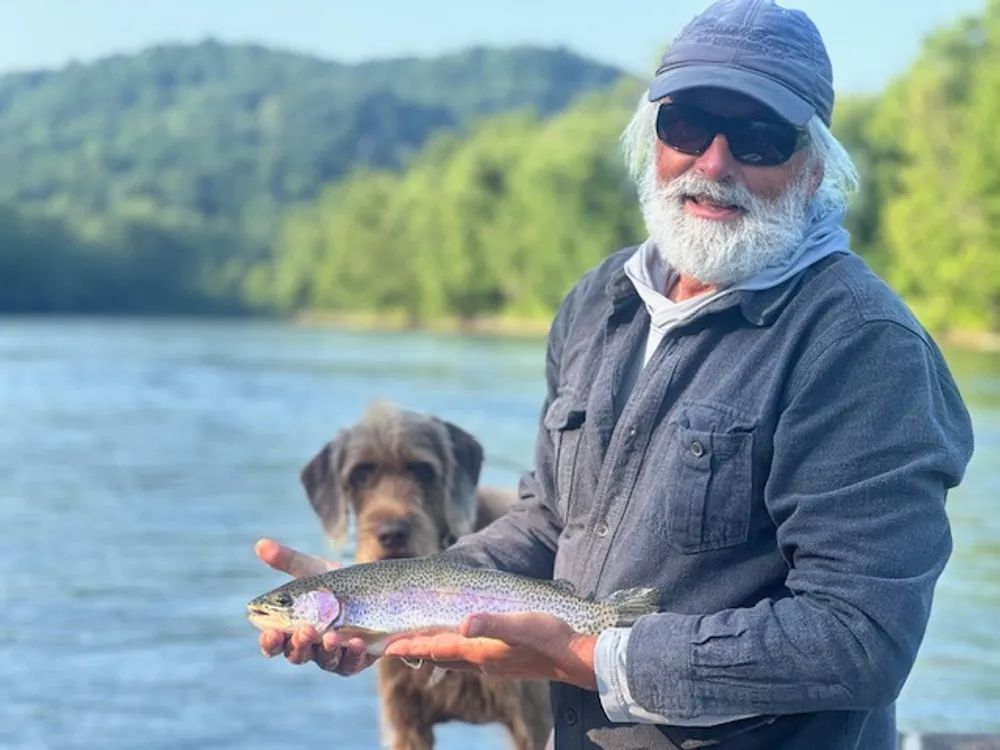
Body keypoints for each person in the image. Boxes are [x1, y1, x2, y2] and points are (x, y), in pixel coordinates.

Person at [255, 1, 974, 747]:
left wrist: (595, 657)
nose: (715, 163)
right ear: (651, 136)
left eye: (760, 138)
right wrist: (374, 605)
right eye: (687, 126)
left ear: (814, 166)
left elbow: (857, 640)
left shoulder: (864, 349)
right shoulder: (601, 303)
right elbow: (548, 522)